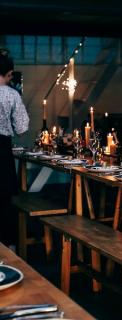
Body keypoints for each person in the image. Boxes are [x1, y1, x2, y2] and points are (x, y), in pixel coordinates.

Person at [0, 48, 29, 247]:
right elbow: (21, 128)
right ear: (8, 74)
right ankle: (6, 250)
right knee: (3, 200)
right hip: (1, 150)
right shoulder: (11, 94)